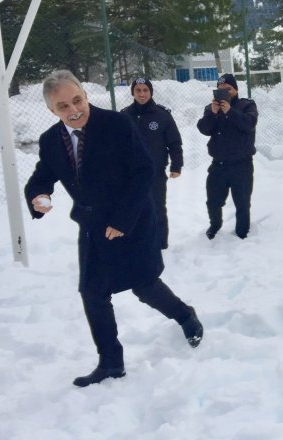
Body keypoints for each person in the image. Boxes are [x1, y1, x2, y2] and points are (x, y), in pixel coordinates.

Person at [24, 70, 203, 387]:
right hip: (93, 226)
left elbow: (143, 171)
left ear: (85, 94)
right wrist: (39, 195)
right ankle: (110, 362)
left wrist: (122, 221)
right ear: (52, 111)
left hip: (131, 220)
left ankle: (185, 315)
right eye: (63, 106)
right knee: (92, 292)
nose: (74, 110)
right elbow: (43, 175)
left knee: (144, 286)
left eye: (77, 100)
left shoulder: (117, 125)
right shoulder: (52, 140)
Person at [121, 77, 183, 249]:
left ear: (151, 92)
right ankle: (136, 242)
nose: (142, 94)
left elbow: (174, 143)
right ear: (133, 92)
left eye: (145, 90)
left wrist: (176, 165)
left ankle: (160, 242)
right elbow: (116, 146)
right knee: (133, 208)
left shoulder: (163, 115)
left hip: (154, 173)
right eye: (138, 90)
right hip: (131, 175)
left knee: (157, 208)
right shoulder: (124, 116)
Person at [197, 73, 259, 240]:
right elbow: (203, 129)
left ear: (236, 89)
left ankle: (242, 232)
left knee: (242, 202)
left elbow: (249, 123)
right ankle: (215, 225)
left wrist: (230, 111)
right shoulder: (211, 109)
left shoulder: (247, 105)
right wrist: (212, 113)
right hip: (219, 165)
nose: (225, 92)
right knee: (213, 201)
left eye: (228, 89)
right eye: (221, 89)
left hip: (242, 165)